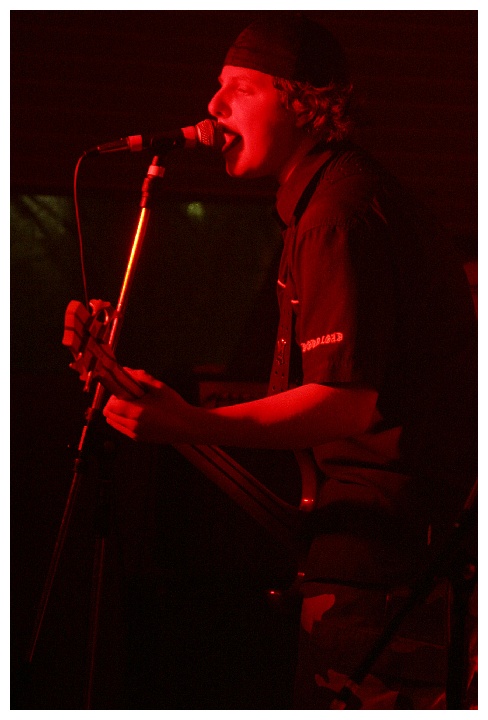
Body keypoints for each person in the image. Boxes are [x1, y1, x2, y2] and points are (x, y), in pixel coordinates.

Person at [103, 12, 477, 710]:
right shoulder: (323, 204)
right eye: (217, 87)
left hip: (388, 560)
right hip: (377, 548)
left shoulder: (339, 214)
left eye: (240, 89)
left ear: (303, 103)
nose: (212, 106)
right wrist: (163, 406)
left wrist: (188, 424)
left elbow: (345, 403)